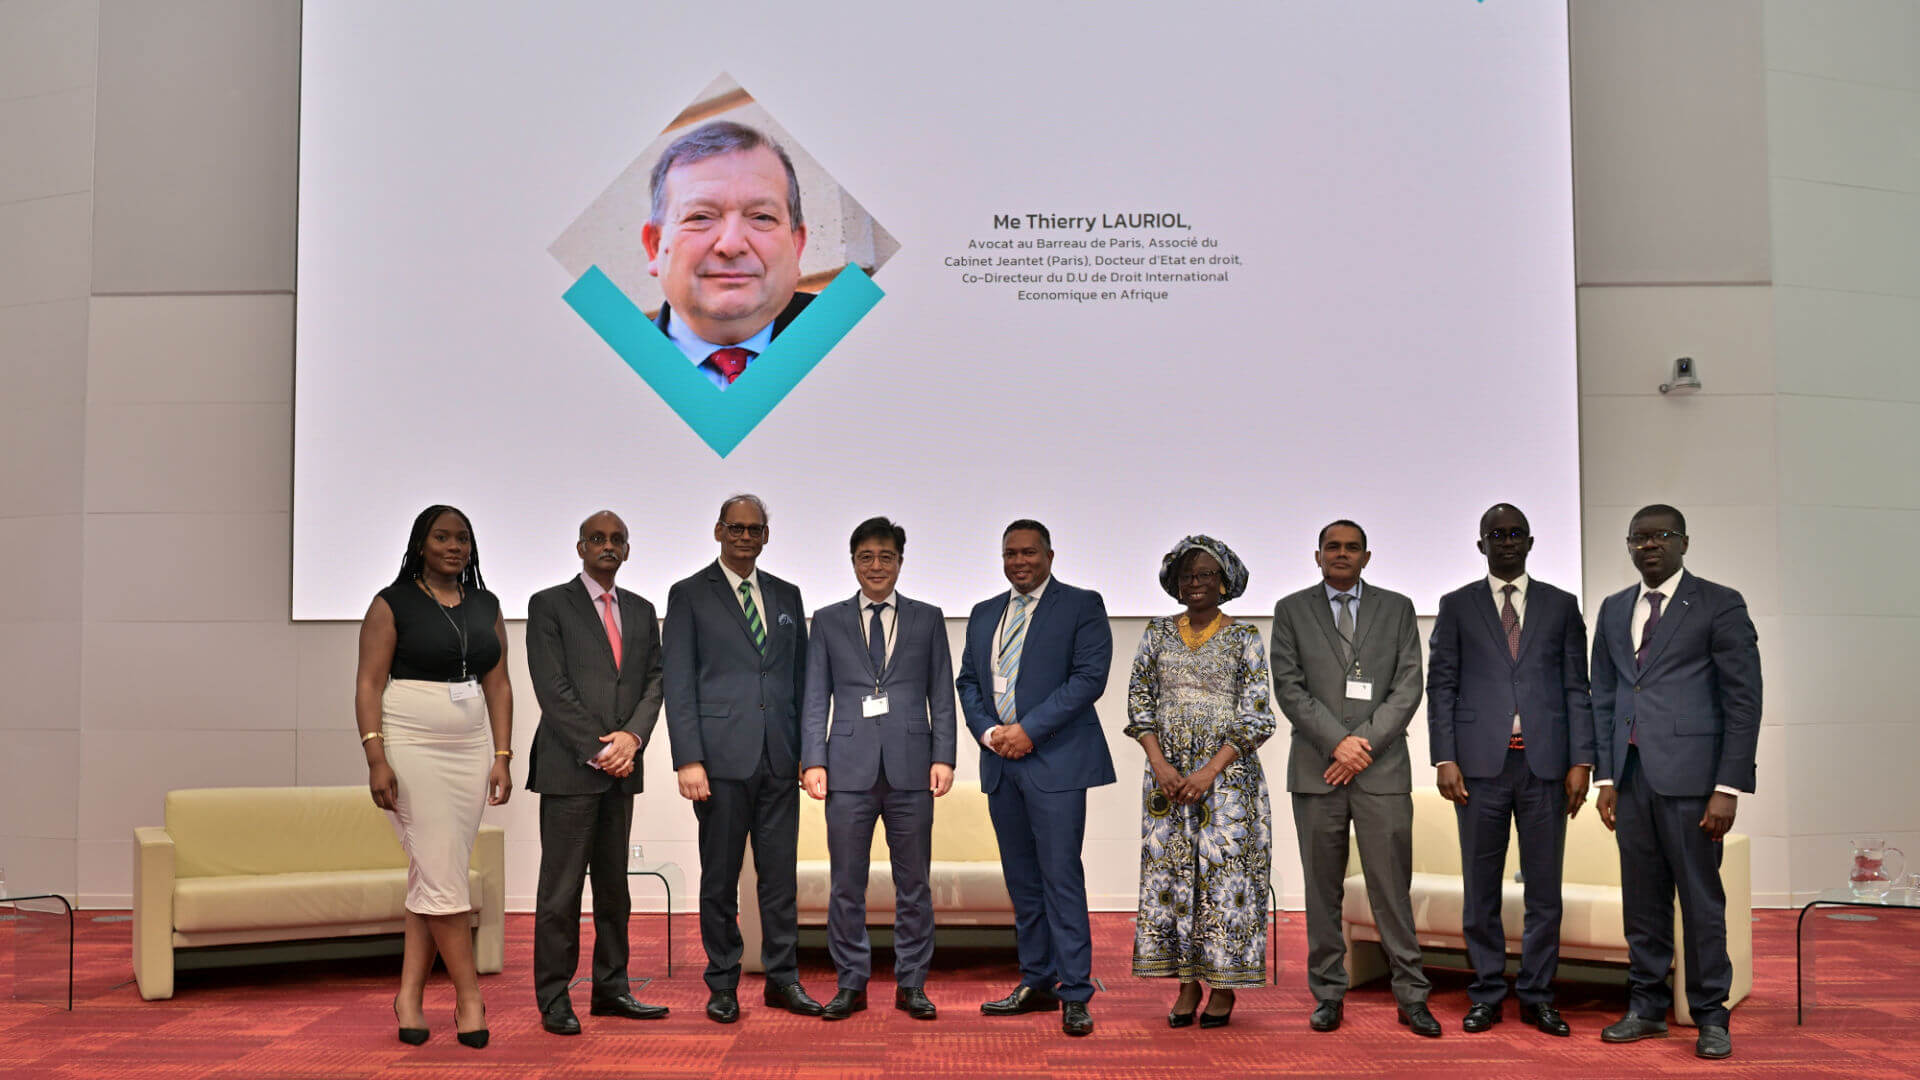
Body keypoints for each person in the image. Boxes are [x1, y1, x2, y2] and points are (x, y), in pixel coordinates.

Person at [1592, 505, 1760, 1061]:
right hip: (1631, 778)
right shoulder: (1614, 608)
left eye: (1662, 536)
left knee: (1701, 902)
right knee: (1642, 903)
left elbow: (1743, 701)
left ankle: (1711, 1014)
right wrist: (1606, 776)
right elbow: (1605, 695)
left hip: (1694, 781)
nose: (1649, 546)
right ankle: (1645, 1008)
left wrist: (1728, 786)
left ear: (1684, 542)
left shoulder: (1719, 603)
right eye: (1639, 538)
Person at [1426, 504, 1593, 1037]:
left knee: (1544, 892)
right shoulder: (1456, 606)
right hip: (1478, 771)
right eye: (1496, 534)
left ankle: (1539, 996)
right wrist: (1444, 757)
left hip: (1545, 768)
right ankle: (1486, 994)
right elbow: (1441, 686)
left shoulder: (1561, 605)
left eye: (1515, 533)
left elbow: (1577, 687)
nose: (1506, 541)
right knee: (1481, 891)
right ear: (1481, 544)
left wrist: (1582, 759)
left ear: (1531, 542)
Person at [1270, 520, 1438, 1037]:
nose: (1341, 554)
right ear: (1317, 555)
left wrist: (1359, 747)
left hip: (1381, 770)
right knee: (1322, 892)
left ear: (1367, 556)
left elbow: (1408, 686)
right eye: (1332, 547)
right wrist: (1337, 744)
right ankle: (1327, 993)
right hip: (1317, 771)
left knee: (1392, 889)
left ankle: (1411, 995)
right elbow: (1289, 688)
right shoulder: (1291, 610)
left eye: (1351, 548)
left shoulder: (1398, 608)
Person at [353, 505, 512, 1049]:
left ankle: (409, 997)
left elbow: (499, 685)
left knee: (434, 871)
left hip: (469, 749)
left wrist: (502, 755)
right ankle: (470, 999)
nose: (454, 547)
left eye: (462, 538)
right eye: (442, 537)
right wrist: (376, 757)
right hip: (411, 744)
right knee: (443, 874)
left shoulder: (486, 605)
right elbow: (369, 684)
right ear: (421, 544)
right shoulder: (391, 603)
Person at [663, 494, 823, 1022]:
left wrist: (807, 753)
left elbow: (800, 681)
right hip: (719, 763)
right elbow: (678, 683)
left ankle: (783, 979)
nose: (746, 537)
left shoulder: (786, 594)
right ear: (719, 531)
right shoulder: (689, 594)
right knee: (720, 880)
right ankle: (723, 984)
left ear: (766, 536)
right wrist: (688, 758)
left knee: (779, 881)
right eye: (736, 528)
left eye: (755, 529)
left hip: (780, 760)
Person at [956, 519, 1114, 1037]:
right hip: (1001, 764)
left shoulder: (1082, 605)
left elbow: (1088, 679)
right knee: (1022, 882)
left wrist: (1029, 731)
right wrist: (988, 733)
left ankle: (1076, 992)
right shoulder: (984, 613)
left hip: (1056, 763)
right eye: (1010, 553)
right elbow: (969, 682)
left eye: (1028, 552)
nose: (1019, 561)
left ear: (1049, 555)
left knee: (1060, 878)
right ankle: (1037, 981)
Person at [800, 517, 958, 1021]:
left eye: (885, 557)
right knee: (847, 885)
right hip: (846, 770)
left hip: (913, 768)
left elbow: (942, 693)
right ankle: (851, 982)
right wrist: (813, 760)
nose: (876, 566)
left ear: (900, 562)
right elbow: (814, 698)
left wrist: (944, 756)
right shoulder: (827, 620)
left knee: (915, 886)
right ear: (853, 562)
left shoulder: (928, 618)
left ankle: (912, 983)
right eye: (866, 557)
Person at [525, 511, 671, 1035]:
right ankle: (554, 997)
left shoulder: (642, 610)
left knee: (614, 890)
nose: (607, 546)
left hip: (622, 768)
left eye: (616, 540)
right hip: (570, 769)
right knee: (560, 893)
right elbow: (552, 687)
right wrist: (598, 748)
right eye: (597, 538)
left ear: (627, 550)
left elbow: (655, 681)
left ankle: (612, 988)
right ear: (581, 547)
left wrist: (631, 739)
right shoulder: (548, 604)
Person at [1124, 536, 1276, 1029]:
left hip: (1228, 781)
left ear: (1224, 582)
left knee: (1224, 881)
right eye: (1187, 575)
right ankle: (1187, 983)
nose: (1195, 583)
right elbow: (1139, 702)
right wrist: (1160, 764)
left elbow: (1258, 716)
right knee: (1175, 879)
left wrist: (1210, 769)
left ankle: (1224, 985)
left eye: (1206, 574)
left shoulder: (1246, 636)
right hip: (1167, 781)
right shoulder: (1156, 633)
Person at [642, 120, 812, 389]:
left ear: (796, 245)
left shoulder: (857, 334)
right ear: (655, 245)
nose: (731, 245)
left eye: (762, 217)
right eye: (700, 217)